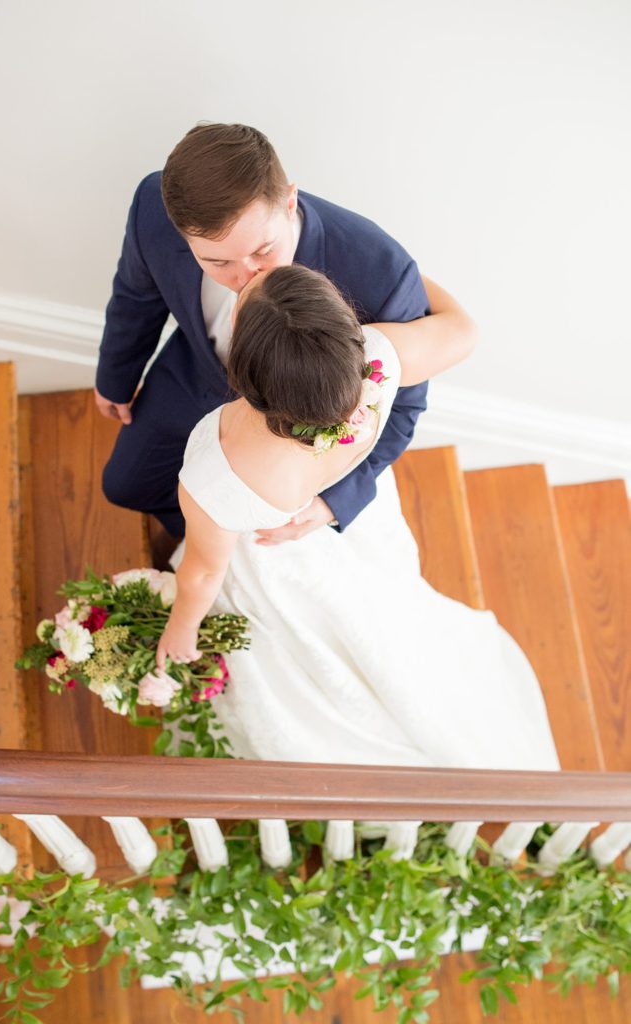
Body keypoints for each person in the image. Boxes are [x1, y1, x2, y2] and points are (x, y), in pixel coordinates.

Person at [155, 266, 560, 774]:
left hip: (273, 554)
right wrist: (401, 265)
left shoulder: (221, 470)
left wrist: (181, 631)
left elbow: (203, 572)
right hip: (360, 526)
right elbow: (463, 331)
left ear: (247, 375)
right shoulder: (378, 357)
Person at [95, 122, 474, 550]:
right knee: (124, 486)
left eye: (262, 251)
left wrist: (334, 501)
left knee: (269, 545)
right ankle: (204, 542)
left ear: (289, 200)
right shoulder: (152, 205)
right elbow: (135, 295)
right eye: (217, 262)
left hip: (291, 434)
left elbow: (403, 402)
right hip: (195, 375)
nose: (243, 279)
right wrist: (115, 377)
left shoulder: (380, 271)